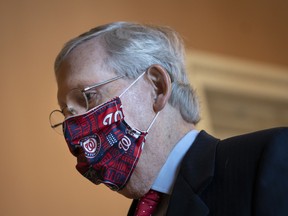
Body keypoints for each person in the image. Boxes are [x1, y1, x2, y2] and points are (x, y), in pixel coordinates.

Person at [49, 22, 288, 216]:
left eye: (88, 97)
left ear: (157, 88)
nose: (74, 129)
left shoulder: (271, 158)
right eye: (67, 113)